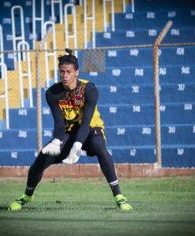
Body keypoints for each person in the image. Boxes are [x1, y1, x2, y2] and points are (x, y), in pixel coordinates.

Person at [8, 49, 133, 211]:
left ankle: (119, 197)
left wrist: (77, 145)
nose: (65, 75)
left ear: (76, 72)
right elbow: (59, 124)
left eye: (68, 72)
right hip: (68, 132)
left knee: (99, 147)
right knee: (41, 160)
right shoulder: (52, 93)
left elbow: (87, 122)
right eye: (62, 72)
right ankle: (26, 197)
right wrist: (56, 141)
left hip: (91, 130)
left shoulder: (89, 89)